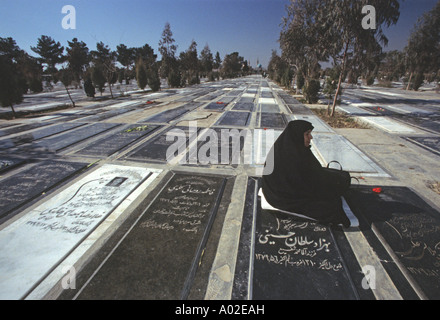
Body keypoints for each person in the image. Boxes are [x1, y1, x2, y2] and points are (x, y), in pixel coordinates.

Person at [261, 120, 351, 227]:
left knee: (341, 178)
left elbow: (312, 172)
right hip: (282, 198)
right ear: (297, 135)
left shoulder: (293, 147)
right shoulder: (290, 157)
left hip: (289, 189)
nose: (311, 137)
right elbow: (305, 186)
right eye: (307, 134)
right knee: (331, 206)